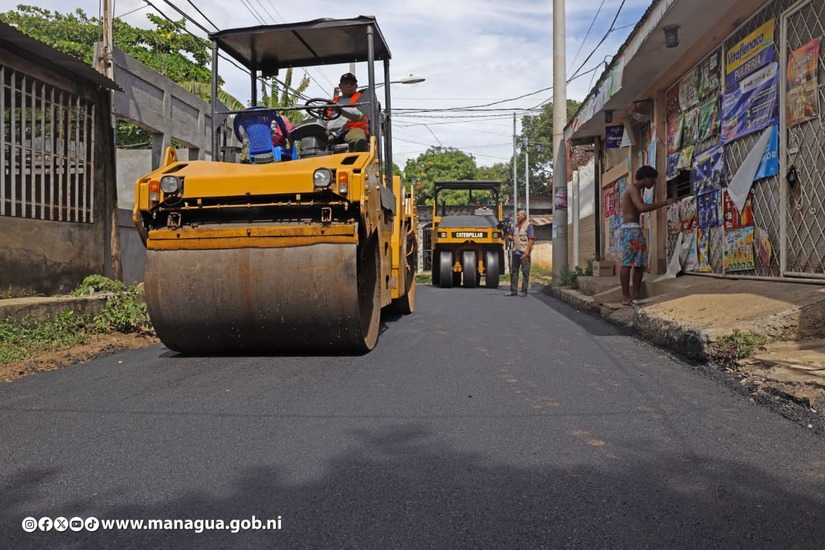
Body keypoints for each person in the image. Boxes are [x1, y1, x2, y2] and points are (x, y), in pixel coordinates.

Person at [620, 165, 677, 305]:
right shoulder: (633, 189)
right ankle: (626, 296)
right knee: (628, 264)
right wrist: (664, 203)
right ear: (645, 178)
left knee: (639, 264)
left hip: (634, 229)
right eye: (652, 180)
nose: (653, 183)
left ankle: (635, 295)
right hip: (631, 230)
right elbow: (642, 208)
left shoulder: (635, 189)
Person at [328, 72, 370, 152]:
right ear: (340, 86)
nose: (349, 85)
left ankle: (359, 163)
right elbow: (324, 118)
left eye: (352, 83)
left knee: (358, 141)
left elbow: (358, 114)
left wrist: (339, 109)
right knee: (314, 139)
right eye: (346, 83)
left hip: (353, 129)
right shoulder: (333, 101)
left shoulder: (363, 99)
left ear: (356, 86)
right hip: (333, 132)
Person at [506, 208, 534, 297]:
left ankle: (524, 291)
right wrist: (507, 233)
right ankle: (513, 290)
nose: (517, 217)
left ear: (524, 216)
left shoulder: (529, 226)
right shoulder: (515, 226)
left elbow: (531, 239)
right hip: (515, 251)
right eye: (517, 215)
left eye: (519, 215)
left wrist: (527, 252)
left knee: (525, 272)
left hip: (524, 252)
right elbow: (510, 236)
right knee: (514, 272)